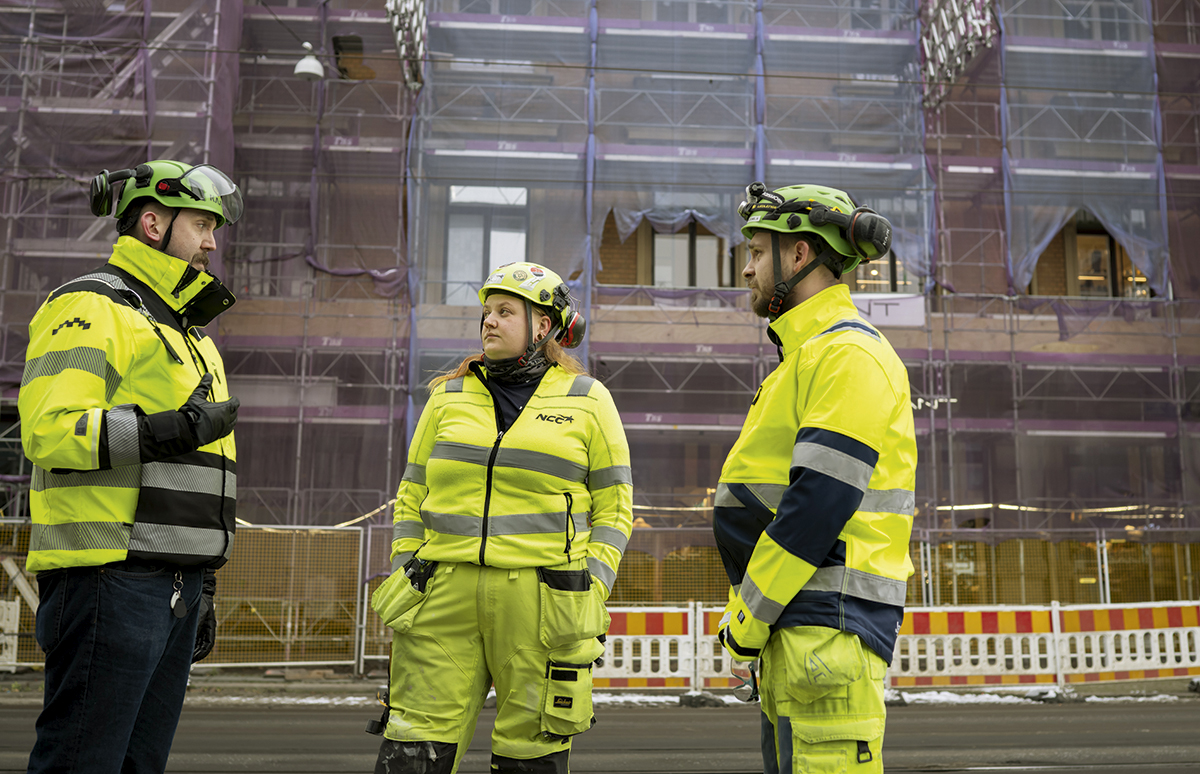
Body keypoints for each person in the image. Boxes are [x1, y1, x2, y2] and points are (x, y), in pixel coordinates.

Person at [20, 159, 243, 774]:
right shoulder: (95, 305)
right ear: (152, 222)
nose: (211, 242)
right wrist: (164, 430)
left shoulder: (189, 330)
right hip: (110, 577)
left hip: (171, 583)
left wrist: (202, 580)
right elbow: (48, 430)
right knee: (82, 762)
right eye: (201, 224)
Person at [370, 262, 633, 774]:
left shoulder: (588, 400)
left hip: (541, 602)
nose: (489, 321)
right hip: (441, 592)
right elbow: (411, 495)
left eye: (505, 311)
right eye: (486, 312)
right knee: (412, 747)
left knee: (531, 752)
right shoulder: (447, 396)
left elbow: (615, 506)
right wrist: (409, 566)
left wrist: (590, 587)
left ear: (543, 326)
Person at [713, 182, 917, 773]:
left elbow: (816, 504)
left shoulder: (846, 355)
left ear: (799, 255)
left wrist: (747, 620)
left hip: (826, 624)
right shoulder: (806, 358)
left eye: (756, 251)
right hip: (803, 626)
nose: (747, 269)